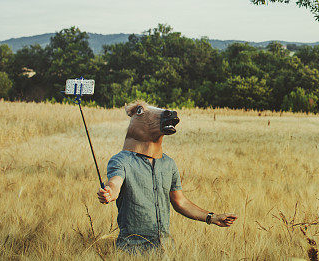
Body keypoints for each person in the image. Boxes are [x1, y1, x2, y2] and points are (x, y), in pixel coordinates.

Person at [97, 101, 237, 253]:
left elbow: (180, 201)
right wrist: (110, 192)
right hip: (132, 250)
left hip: (165, 249)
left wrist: (213, 217)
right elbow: (115, 182)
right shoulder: (121, 160)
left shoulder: (168, 164)